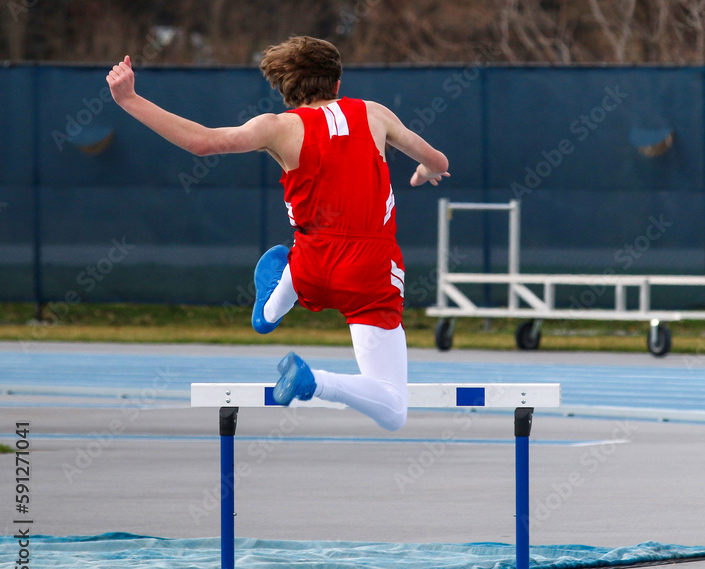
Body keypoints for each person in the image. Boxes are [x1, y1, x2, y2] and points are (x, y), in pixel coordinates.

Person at [107, 36, 449, 431]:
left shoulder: (276, 127)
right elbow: (437, 159)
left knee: (303, 250)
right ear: (338, 84)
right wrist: (426, 172)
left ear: (286, 90)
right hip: (371, 272)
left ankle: (270, 309)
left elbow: (202, 142)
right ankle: (314, 380)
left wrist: (130, 100)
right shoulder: (375, 114)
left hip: (312, 267)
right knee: (393, 408)